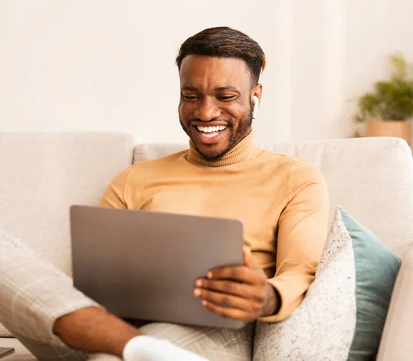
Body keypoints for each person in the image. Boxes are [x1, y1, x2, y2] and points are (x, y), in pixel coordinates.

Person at [0, 27, 329, 361]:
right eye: (191, 96)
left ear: (255, 96)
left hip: (212, 332)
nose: (205, 112)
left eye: (225, 97)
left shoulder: (295, 178)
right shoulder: (134, 179)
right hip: (91, 324)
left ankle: (135, 349)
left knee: (124, 353)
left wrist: (267, 297)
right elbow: (83, 281)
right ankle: (136, 348)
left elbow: (300, 273)